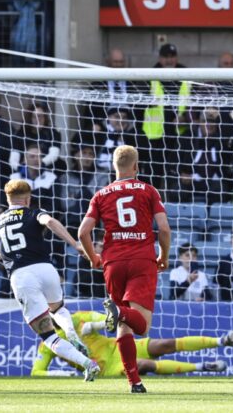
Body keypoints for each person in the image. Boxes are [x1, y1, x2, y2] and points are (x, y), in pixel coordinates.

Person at [0, 179, 102, 381]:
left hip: (21, 276)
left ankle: (87, 364)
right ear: (28, 198)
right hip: (46, 269)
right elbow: (49, 222)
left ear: (7, 198)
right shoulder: (33, 212)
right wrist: (75, 244)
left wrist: (9, 253)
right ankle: (70, 331)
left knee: (48, 337)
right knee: (57, 309)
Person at [78, 144, 172, 394]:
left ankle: (135, 382)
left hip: (113, 262)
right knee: (142, 327)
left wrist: (93, 257)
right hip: (142, 260)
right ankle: (118, 310)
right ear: (136, 167)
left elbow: (83, 232)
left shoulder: (101, 194)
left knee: (123, 324)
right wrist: (163, 256)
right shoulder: (148, 190)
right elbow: (163, 228)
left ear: (114, 167)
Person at [30, 310, 233, 377]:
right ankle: (203, 367)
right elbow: (36, 373)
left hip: (115, 346)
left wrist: (94, 326)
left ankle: (221, 341)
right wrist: (65, 374)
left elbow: (111, 320)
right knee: (142, 365)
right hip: (106, 368)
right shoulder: (47, 343)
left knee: (162, 345)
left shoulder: (77, 318)